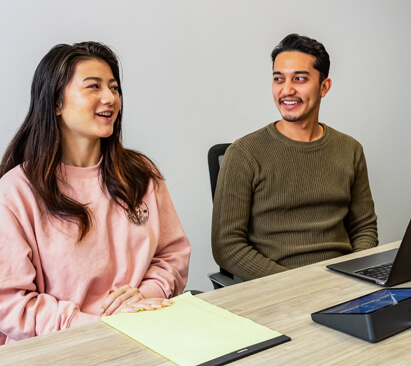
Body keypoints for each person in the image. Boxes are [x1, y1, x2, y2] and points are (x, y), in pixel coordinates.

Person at [0, 41, 190, 344]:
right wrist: (94, 325)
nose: (109, 98)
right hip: (60, 347)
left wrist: (146, 294)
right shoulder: (14, 193)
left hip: (143, 331)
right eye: (94, 87)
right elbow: (10, 302)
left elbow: (172, 255)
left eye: (114, 88)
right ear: (57, 103)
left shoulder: (141, 175)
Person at [212, 33, 378, 281]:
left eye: (299, 79)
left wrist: (353, 276)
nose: (287, 90)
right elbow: (227, 246)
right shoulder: (244, 154)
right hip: (278, 289)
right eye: (279, 79)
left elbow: (364, 229)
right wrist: (295, 285)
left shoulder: (350, 149)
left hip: (344, 284)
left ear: (324, 86)